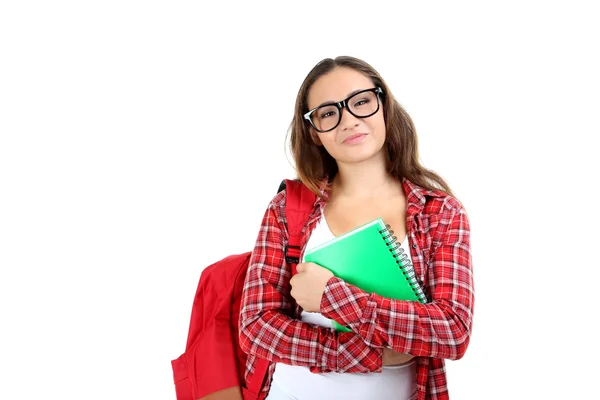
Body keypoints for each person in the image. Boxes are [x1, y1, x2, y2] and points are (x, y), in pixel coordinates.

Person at [238, 56, 474, 400]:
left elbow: (452, 331)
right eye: (329, 113)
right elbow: (256, 327)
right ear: (314, 132)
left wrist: (330, 296)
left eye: (361, 102)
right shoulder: (288, 209)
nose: (348, 120)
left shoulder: (439, 213)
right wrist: (366, 355)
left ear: (384, 107)